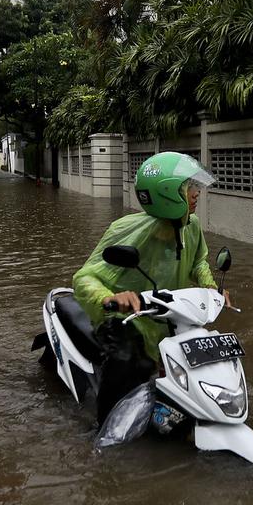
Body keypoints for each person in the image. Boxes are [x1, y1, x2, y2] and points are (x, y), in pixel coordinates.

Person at [72, 151, 228, 425]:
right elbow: (84, 278)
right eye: (189, 187)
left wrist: (210, 286)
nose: (196, 194)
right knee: (128, 362)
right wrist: (109, 297)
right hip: (128, 317)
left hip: (170, 314)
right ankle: (106, 430)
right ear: (168, 192)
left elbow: (198, 261)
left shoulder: (190, 226)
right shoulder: (125, 230)